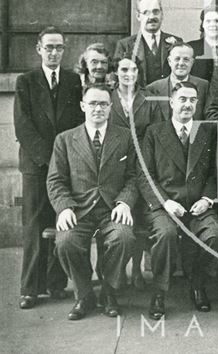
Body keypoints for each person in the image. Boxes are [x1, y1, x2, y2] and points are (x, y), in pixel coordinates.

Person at [47, 84, 138, 320]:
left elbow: (133, 177)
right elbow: (55, 180)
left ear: (110, 107)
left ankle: (109, 291)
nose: (98, 108)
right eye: (93, 104)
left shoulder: (126, 136)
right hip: (79, 210)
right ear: (82, 106)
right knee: (65, 242)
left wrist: (125, 202)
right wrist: (64, 207)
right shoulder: (65, 139)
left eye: (103, 104)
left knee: (124, 238)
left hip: (112, 210)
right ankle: (84, 294)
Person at [139, 81, 218, 318]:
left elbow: (214, 172)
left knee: (216, 236)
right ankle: (159, 292)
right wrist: (165, 202)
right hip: (165, 206)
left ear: (197, 104)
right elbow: (144, 174)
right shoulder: (154, 132)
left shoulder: (206, 132)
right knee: (166, 235)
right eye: (182, 99)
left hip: (198, 204)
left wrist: (208, 199)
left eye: (192, 100)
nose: (187, 105)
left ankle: (197, 283)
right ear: (171, 102)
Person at [14, 26, 83, 310]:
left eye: (59, 48)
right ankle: (30, 288)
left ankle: (56, 284)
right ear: (39, 49)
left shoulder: (72, 80)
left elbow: (78, 121)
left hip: (65, 165)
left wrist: (63, 160)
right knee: (34, 225)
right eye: (49, 47)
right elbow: (23, 126)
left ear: (64, 50)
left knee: (61, 222)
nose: (54, 52)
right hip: (36, 163)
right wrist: (49, 159)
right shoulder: (25, 81)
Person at [109, 54, 162, 289]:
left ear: (138, 73)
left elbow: (156, 132)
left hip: (142, 162)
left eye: (133, 70)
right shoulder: (108, 99)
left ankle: (138, 269)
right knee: (120, 216)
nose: (128, 74)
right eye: (123, 70)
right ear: (116, 72)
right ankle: (117, 270)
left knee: (139, 214)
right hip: (116, 163)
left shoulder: (148, 99)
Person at [115, 0, 180, 87]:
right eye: (146, 12)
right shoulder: (125, 45)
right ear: (138, 16)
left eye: (156, 12)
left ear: (162, 14)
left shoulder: (176, 41)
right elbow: (117, 78)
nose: (152, 17)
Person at [147, 43, 210, 121]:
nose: (181, 63)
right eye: (177, 59)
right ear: (169, 61)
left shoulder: (204, 86)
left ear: (192, 62)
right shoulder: (153, 88)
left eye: (186, 59)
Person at [188, 5, 218, 81]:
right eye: (208, 21)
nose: (212, 24)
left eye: (217, 21)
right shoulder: (191, 48)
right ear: (203, 24)